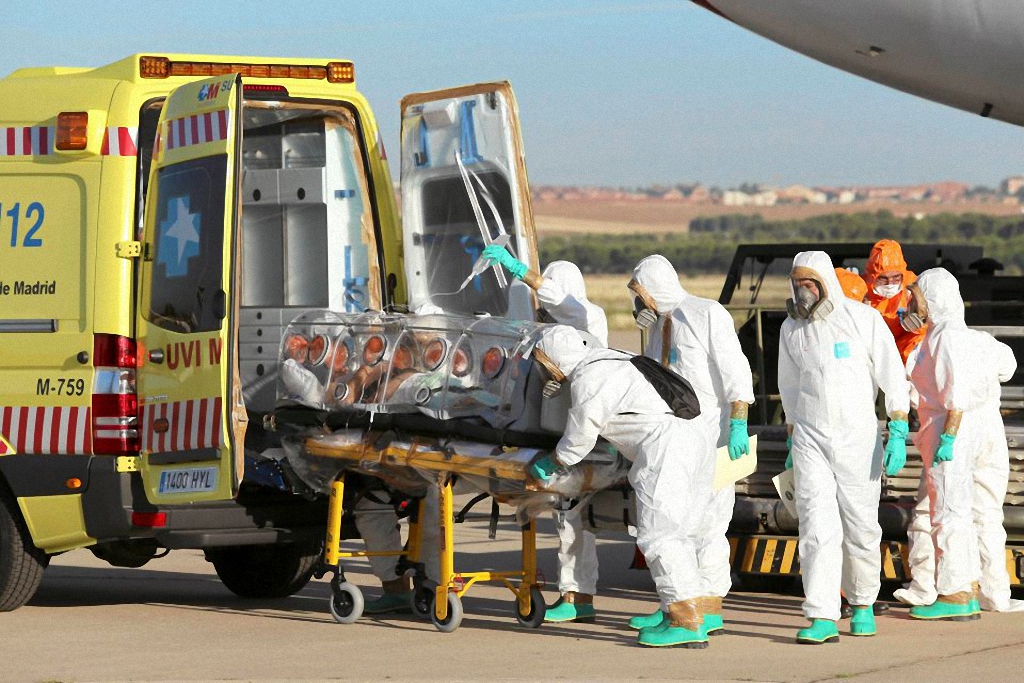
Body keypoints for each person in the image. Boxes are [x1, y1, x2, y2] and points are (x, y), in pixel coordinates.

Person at [528, 325, 715, 648]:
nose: (546, 372)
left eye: (545, 363)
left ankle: (685, 622)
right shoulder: (614, 358)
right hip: (696, 439)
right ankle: (676, 609)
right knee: (682, 533)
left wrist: (551, 463)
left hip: (666, 448)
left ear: (557, 359)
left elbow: (579, 439)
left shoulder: (588, 378)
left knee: (660, 535)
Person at [779, 251, 911, 644]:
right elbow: (789, 386)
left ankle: (863, 603)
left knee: (861, 525)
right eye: (797, 284)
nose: (803, 292)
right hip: (810, 437)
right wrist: (792, 437)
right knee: (815, 527)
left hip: (857, 438)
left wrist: (898, 426)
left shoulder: (862, 319)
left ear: (825, 283)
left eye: (809, 283)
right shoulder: (792, 328)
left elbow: (892, 374)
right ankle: (821, 614)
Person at [625, 255, 755, 636]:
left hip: (715, 435)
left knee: (710, 523)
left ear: (656, 288)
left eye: (641, 294)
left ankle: (707, 605)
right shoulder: (659, 326)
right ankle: (676, 603)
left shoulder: (706, 314)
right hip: (675, 438)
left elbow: (736, 370)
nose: (640, 302)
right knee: (677, 521)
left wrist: (738, 424)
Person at [482, 244, 609, 624]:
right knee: (568, 518)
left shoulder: (586, 315)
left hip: (581, 429)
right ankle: (575, 595)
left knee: (573, 517)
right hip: (562, 427)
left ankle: (577, 597)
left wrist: (517, 268)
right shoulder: (556, 324)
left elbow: (559, 299)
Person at [903, 268, 1022, 619]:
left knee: (949, 509)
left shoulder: (942, 338)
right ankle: (994, 592)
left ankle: (956, 593)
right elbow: (1008, 366)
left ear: (932, 299)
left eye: (917, 297)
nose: (913, 304)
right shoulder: (980, 339)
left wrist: (949, 436)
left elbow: (953, 390)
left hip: (952, 428)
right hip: (989, 428)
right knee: (987, 512)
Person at [862, 239, 926, 363]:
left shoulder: (914, 286)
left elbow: (929, 325)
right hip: (869, 347)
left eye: (896, 277)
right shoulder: (858, 287)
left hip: (902, 346)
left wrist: (919, 320)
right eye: (883, 278)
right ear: (872, 275)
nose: (890, 283)